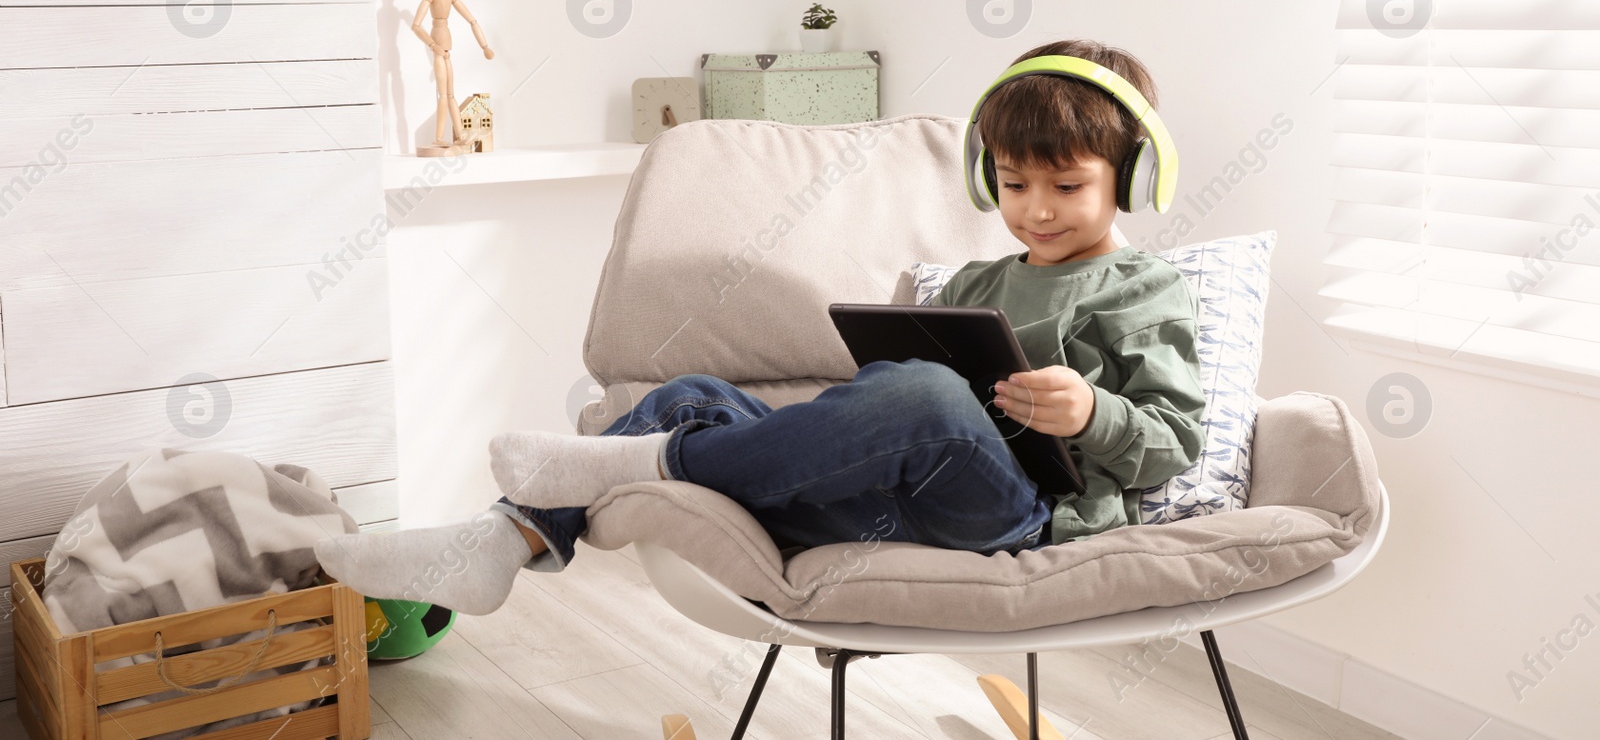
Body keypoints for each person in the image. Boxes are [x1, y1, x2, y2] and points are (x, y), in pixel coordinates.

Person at [314, 38, 1206, 615]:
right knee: (697, 394)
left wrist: (1091, 412)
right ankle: (504, 539)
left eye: (1066, 186)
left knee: (930, 395)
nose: (1036, 209)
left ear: (1128, 180)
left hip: (1021, 513)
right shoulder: (975, 279)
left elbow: (1176, 440)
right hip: (898, 500)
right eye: (1013, 184)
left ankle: (634, 463)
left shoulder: (1143, 288)